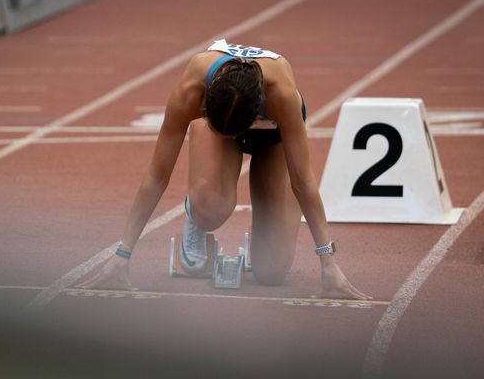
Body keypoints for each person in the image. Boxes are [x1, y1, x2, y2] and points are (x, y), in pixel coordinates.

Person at [78, 39, 372, 300]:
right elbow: (157, 175)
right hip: (217, 124)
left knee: (272, 272)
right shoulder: (191, 89)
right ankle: (198, 211)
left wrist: (328, 262)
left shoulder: (281, 95)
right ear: (205, 104)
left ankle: (263, 230)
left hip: (273, 140)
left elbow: (303, 181)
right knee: (212, 209)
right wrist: (122, 255)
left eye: (232, 132)